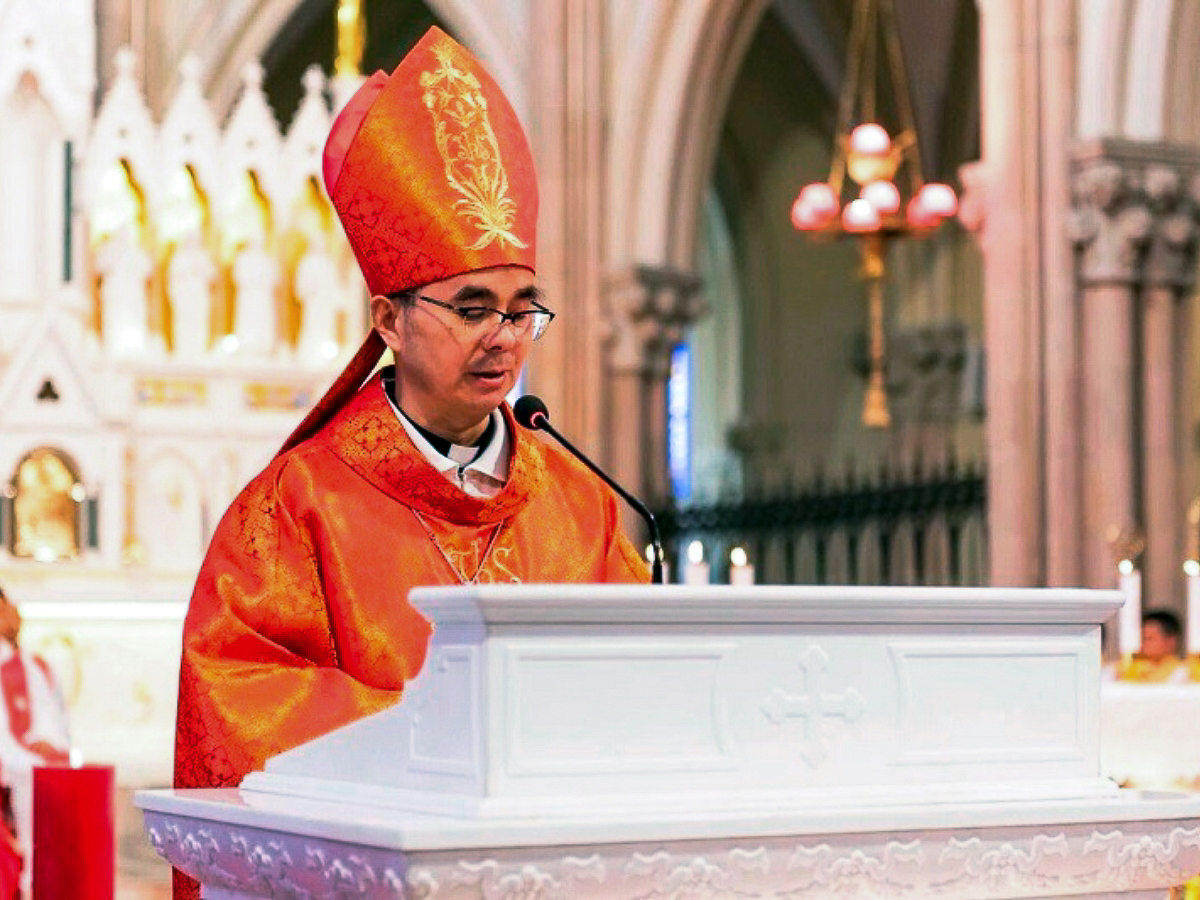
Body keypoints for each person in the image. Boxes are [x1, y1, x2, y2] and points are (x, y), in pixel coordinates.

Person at [173, 26, 648, 899]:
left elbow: (640, 687)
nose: (504, 337)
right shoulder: (296, 506)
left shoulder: (583, 508)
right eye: (472, 307)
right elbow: (236, 702)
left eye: (522, 309)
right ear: (389, 320)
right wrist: (441, 740)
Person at [0, 584, 71, 898]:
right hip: (15, 761)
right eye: (7, 609)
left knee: (33, 771)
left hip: (26, 760)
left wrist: (45, 741)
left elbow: (53, 722)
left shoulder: (33, 666)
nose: (15, 614)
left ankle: (33, 878)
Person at [1120, 608, 1188, 683]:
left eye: (1150, 638)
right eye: (1142, 638)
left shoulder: (1184, 674)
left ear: (1171, 641)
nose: (1144, 644)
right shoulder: (1131, 669)